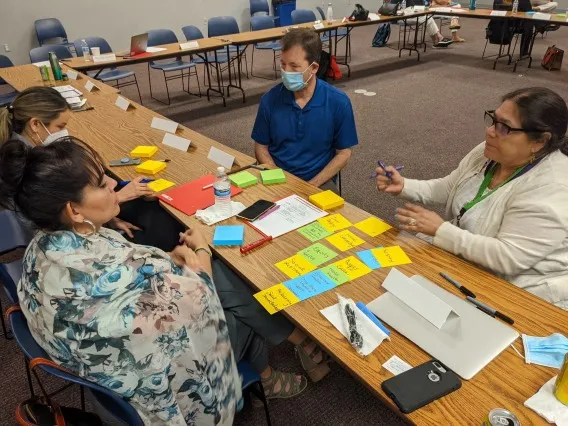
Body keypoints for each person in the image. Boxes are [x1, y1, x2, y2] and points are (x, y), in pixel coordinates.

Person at [0, 137, 332, 423]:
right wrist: (201, 247)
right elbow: (200, 295)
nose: (115, 184)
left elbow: (147, 281)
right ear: (74, 211)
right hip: (150, 386)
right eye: (102, 184)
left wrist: (174, 262)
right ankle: (276, 367)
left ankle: (284, 354)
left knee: (220, 282)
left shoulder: (40, 248)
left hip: (100, 368)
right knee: (234, 296)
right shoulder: (121, 262)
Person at [376, 87, 568, 310]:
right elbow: (450, 186)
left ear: (540, 141)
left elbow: (507, 257)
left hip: (519, 292)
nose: (490, 131)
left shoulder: (553, 187)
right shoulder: (490, 152)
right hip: (466, 260)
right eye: (493, 120)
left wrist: (441, 231)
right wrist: (404, 185)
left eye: (504, 127)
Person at [0, 86, 185, 251]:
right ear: (35, 124)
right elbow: (59, 216)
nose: (65, 133)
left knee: (145, 209)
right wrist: (117, 199)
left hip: (73, 226)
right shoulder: (29, 167)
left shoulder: (21, 152)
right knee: (158, 224)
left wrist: (108, 216)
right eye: (61, 126)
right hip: (70, 237)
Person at [252, 28, 358, 193]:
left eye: (294, 66)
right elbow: (261, 147)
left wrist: (311, 185)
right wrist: (276, 177)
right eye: (283, 64)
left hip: (318, 181)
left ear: (314, 67)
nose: (286, 72)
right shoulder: (270, 99)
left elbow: (344, 153)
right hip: (277, 177)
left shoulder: (338, 102)